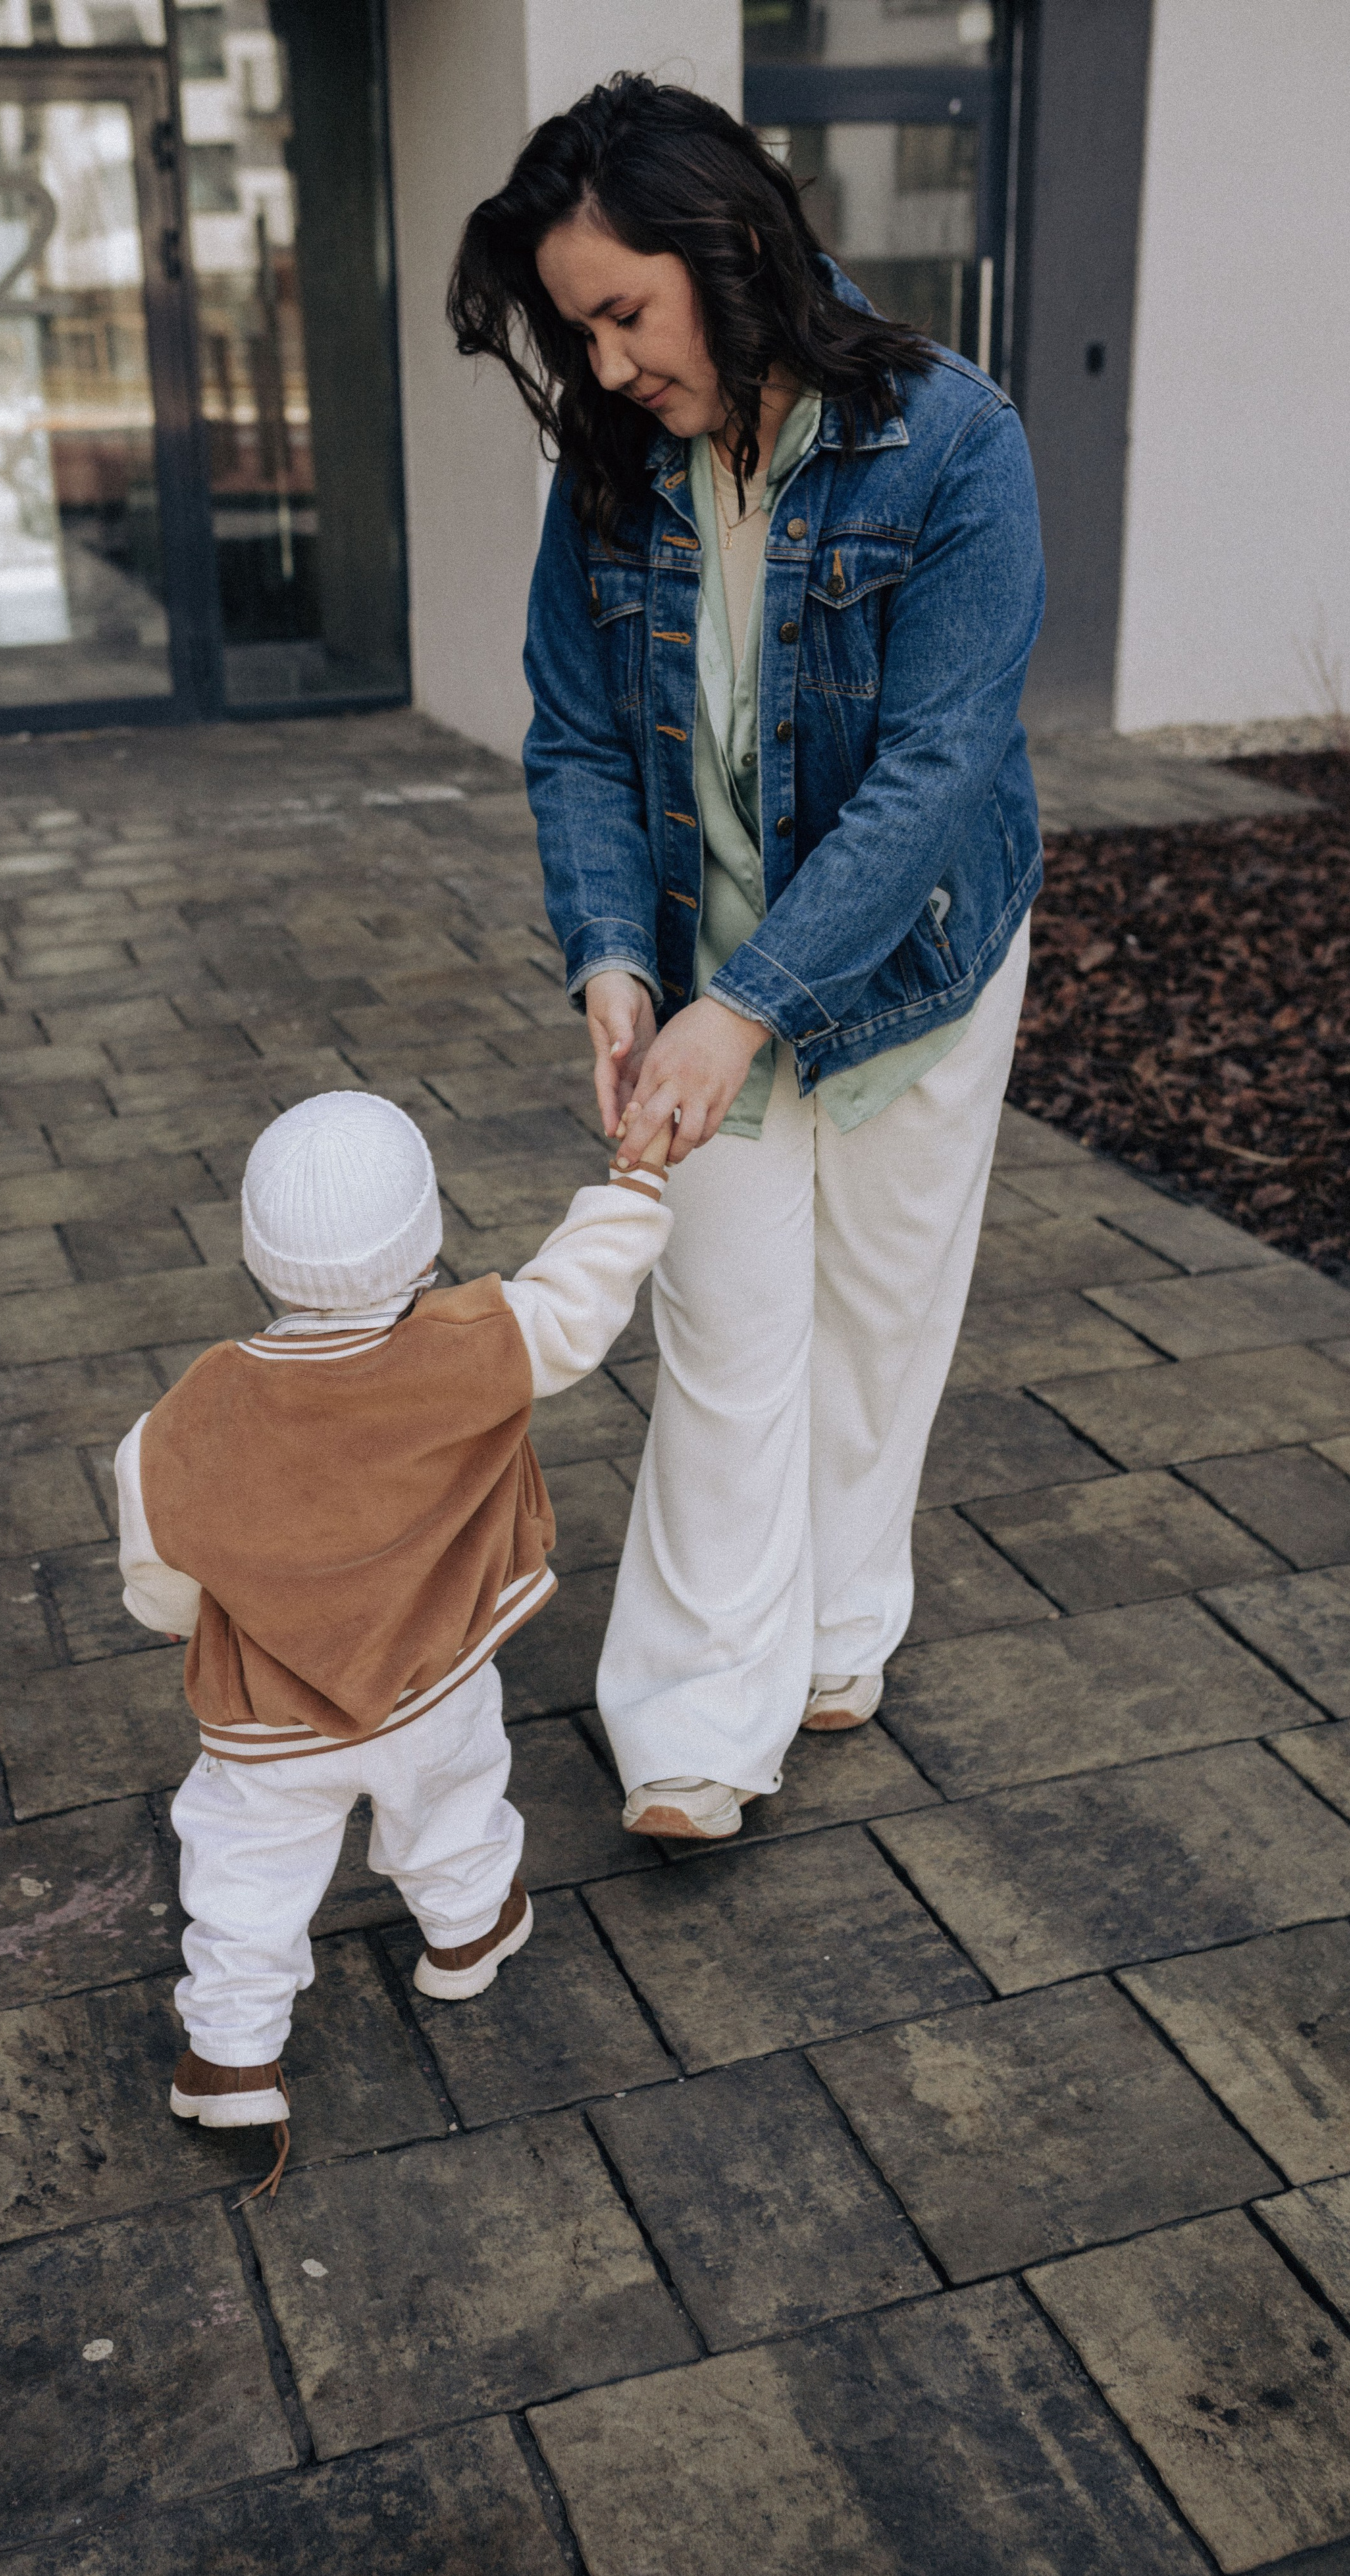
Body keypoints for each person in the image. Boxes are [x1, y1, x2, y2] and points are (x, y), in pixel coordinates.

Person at [450, 76, 1044, 1842]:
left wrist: (748, 1007)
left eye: (625, 314)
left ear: (730, 253)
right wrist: (614, 968)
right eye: (578, 331)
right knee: (724, 1325)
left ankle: (841, 1630)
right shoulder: (612, 465)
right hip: (699, 971)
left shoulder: (955, 442)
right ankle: (699, 1725)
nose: (607, 363)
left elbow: (935, 769)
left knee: (877, 1322)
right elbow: (574, 735)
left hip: (913, 961)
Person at [115, 1088, 671, 2190]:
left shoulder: (180, 1423)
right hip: (434, 1680)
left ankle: (231, 2055)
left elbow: (161, 1580)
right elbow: (579, 1294)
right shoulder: (474, 1346)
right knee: (452, 1803)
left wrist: (209, 1622)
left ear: (257, 1253)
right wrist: (637, 1184)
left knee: (245, 1876)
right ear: (426, 1244)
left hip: (269, 1722)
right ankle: (468, 1935)